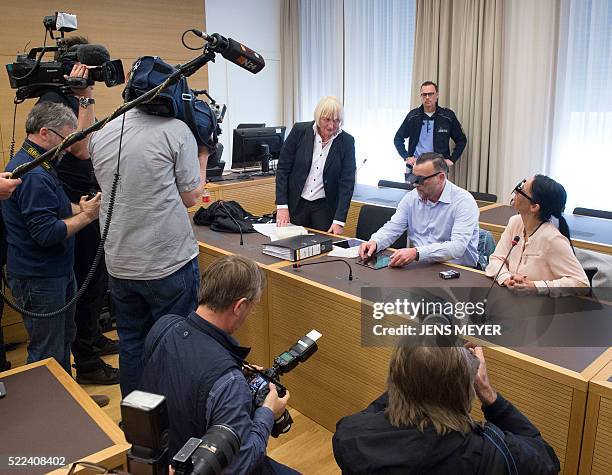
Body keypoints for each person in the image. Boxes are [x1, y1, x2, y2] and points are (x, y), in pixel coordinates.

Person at [89, 79, 208, 397]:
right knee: (176, 345)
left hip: (120, 266)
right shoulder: (177, 131)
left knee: (132, 344)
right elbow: (191, 197)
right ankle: (174, 423)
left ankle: (138, 424)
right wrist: (205, 150)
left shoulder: (103, 133)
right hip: (168, 266)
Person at [139, 255, 297, 474]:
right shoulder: (229, 382)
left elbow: (182, 373)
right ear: (240, 306)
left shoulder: (164, 327)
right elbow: (241, 463)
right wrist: (268, 413)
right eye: (253, 306)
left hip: (165, 457)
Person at [332, 338, 560, 474]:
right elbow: (547, 460)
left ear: (394, 379)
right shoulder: (489, 453)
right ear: (466, 386)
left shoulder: (350, 435)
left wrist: (414, 372)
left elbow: (385, 403)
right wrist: (489, 395)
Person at [37, 36, 119, 386]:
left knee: (96, 277)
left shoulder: (74, 96)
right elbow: (83, 148)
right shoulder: (55, 100)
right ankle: (85, 361)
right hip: (73, 204)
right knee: (84, 280)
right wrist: (84, 94)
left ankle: (92, 338)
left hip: (88, 197)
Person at [1, 102, 101, 375]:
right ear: (45, 132)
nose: (69, 147)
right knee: (47, 352)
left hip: (53, 272)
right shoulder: (32, 175)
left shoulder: (37, 163)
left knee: (62, 342)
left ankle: (70, 403)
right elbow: (46, 233)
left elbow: (53, 208)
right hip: (40, 277)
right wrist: (88, 217)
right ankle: (50, 413)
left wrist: (80, 208)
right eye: (65, 139)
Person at [358, 153, 479, 268]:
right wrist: (375, 242)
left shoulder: (464, 202)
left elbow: (457, 247)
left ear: (441, 178)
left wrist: (416, 253)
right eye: (411, 177)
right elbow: (392, 228)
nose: (414, 184)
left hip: (457, 270)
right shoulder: (411, 198)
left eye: (420, 179)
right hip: (422, 265)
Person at [486, 175, 589, 295]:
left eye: (521, 190)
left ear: (534, 207)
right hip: (515, 302)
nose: (516, 191)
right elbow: (496, 259)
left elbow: (581, 283)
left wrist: (536, 286)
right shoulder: (515, 222)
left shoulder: (552, 239)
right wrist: (507, 278)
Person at [276, 96, 356, 234]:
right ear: (318, 117)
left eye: (336, 121)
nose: (331, 126)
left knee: (322, 248)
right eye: (327, 119)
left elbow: (347, 183)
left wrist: (339, 220)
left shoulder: (347, 141)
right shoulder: (300, 131)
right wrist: (282, 206)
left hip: (324, 207)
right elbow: (283, 169)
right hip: (297, 203)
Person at [393, 81, 467, 181]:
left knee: (437, 196)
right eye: (424, 94)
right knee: (413, 195)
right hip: (416, 167)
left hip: (438, 169)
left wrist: (452, 159)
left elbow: (461, 140)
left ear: (437, 95)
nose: (427, 97)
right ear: (421, 96)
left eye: (430, 94)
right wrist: (406, 157)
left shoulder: (447, 116)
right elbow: (398, 138)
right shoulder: (413, 116)